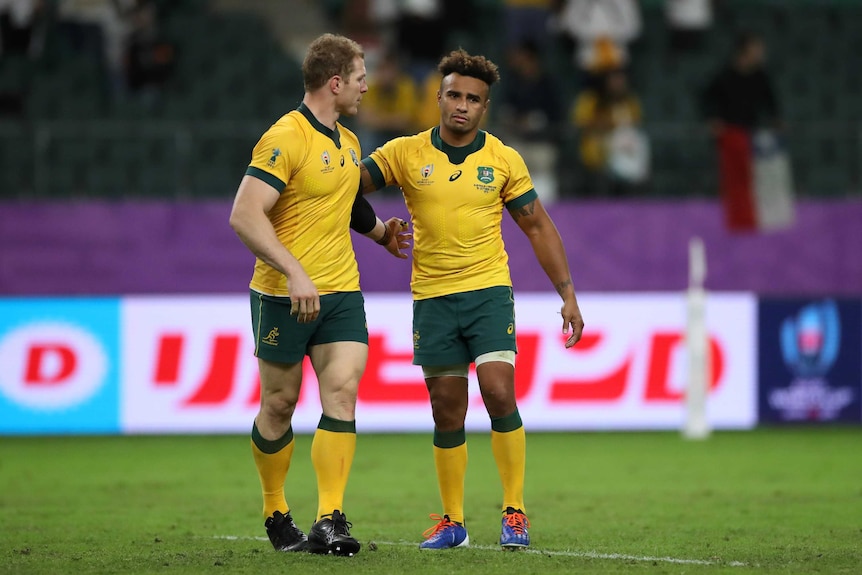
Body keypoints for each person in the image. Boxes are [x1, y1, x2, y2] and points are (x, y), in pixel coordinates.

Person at [356, 49, 585, 550]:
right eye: (454, 95)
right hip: (432, 298)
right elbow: (344, 186)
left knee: (499, 391)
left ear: (485, 108)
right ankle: (453, 522)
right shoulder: (404, 153)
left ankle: (515, 512)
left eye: (474, 99)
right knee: (446, 409)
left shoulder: (503, 159)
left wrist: (566, 294)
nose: (462, 105)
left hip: (487, 292)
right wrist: (376, 229)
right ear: (437, 97)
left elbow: (537, 226)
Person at [228, 32, 409, 557]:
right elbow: (244, 214)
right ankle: (274, 510)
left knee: (343, 394)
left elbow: (346, 203)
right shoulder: (284, 137)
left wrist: (381, 234)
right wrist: (294, 271)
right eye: (359, 79)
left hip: (341, 294)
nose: (366, 88)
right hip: (284, 294)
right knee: (280, 405)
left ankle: (330, 516)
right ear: (335, 83)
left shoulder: (350, 143)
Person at [571, 66, 648, 196]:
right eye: (614, 80)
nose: (618, 84)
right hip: (600, 154)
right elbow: (580, 124)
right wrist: (606, 124)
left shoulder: (630, 101)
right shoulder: (591, 100)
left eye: (621, 80)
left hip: (626, 153)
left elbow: (636, 124)